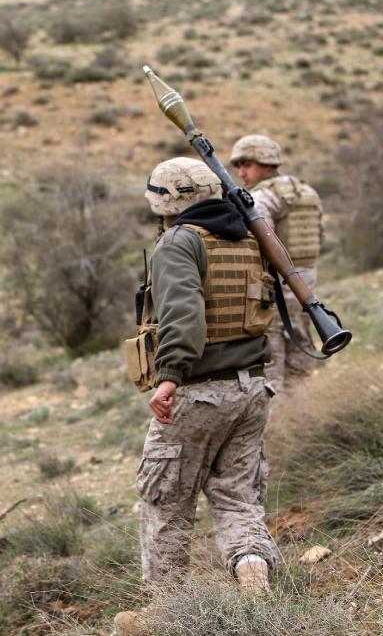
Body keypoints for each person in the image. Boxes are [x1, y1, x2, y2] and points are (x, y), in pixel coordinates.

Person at [115, 157, 279, 636]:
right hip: (252, 390)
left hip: (199, 392)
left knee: (166, 501)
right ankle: (254, 578)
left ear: (165, 202)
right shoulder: (250, 236)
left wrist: (169, 376)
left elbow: (184, 318)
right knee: (237, 499)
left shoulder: (178, 243)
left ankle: (167, 612)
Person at [230, 134, 323, 392]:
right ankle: (299, 423)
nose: (241, 172)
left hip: (274, 298)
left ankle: (279, 429)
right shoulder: (307, 192)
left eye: (247, 165)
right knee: (301, 369)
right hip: (305, 295)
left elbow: (260, 246)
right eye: (239, 166)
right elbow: (319, 238)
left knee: (271, 376)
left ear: (267, 164)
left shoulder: (261, 198)